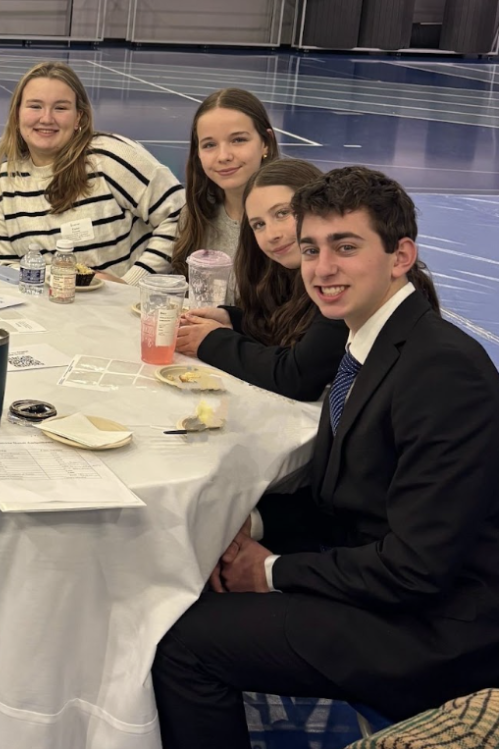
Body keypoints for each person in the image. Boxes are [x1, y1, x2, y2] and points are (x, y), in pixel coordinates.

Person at [152, 167, 499, 748]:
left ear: (400, 256)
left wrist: (266, 571)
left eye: (345, 247)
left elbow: (416, 568)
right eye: (311, 249)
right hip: (390, 585)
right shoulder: (371, 343)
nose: (322, 268)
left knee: (182, 644)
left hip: (438, 628)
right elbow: (347, 501)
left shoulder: (443, 371)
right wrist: (249, 526)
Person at [0, 61, 183, 285]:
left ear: (79, 117)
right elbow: (5, 270)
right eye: (35, 106)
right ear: (17, 114)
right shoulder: (2, 183)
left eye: (61, 108)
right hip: (42, 313)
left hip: (120, 314)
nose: (47, 118)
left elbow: (180, 214)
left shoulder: (109, 158)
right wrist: (59, 281)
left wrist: (131, 284)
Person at [175, 159, 348, 401]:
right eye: (259, 224)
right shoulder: (291, 273)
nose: (272, 234)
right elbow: (289, 334)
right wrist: (235, 321)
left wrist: (212, 342)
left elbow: (298, 377)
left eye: (283, 213)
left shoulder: (342, 280)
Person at [171, 88, 279, 275]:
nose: (223, 156)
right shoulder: (195, 215)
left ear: (266, 143)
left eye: (238, 140)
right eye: (209, 145)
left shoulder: (295, 216)